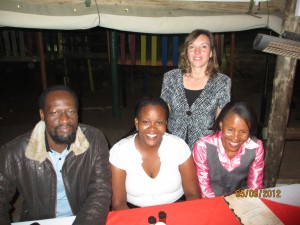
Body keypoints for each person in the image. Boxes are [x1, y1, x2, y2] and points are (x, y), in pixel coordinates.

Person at [0, 85, 112, 225]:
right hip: (39, 221)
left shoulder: (94, 140)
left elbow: (100, 192)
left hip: (83, 217)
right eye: (54, 112)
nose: (64, 120)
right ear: (42, 115)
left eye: (71, 111)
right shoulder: (14, 152)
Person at [109, 96, 201, 210]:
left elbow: (193, 194)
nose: (152, 128)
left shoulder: (179, 147)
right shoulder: (119, 152)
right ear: (137, 123)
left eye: (159, 122)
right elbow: (118, 204)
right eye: (146, 122)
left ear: (165, 124)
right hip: (133, 213)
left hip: (177, 209)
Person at [161, 29, 231, 149]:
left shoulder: (222, 82)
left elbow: (222, 123)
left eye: (203, 47)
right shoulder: (170, 78)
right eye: (192, 47)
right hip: (173, 146)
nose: (197, 52)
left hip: (204, 149)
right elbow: (162, 115)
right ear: (186, 52)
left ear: (211, 53)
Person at [193, 101, 264, 198]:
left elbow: (255, 186)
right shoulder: (203, 147)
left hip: (241, 199)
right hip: (210, 201)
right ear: (221, 125)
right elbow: (203, 186)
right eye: (230, 130)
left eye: (243, 132)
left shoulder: (255, 148)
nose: (235, 137)